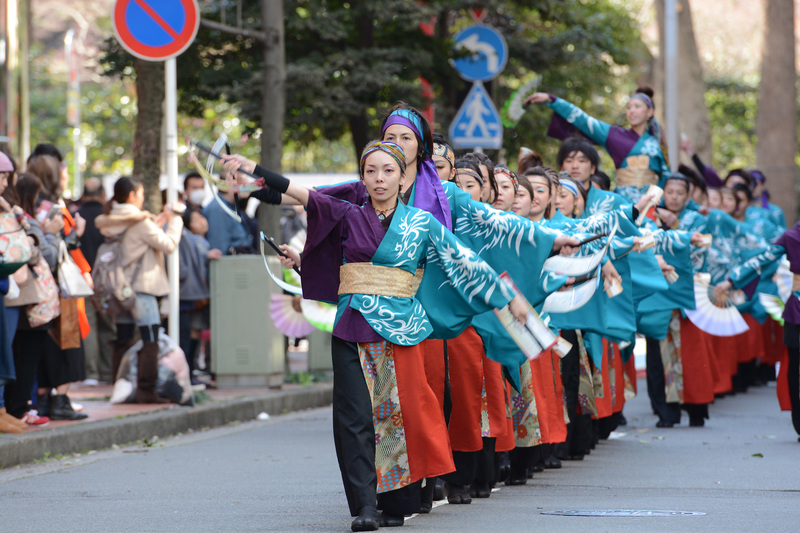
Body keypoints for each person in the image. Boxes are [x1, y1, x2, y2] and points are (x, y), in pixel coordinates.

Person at [225, 140, 528, 531]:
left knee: (399, 414)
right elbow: (299, 192)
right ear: (363, 177)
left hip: (400, 328)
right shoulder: (346, 213)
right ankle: (365, 506)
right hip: (352, 325)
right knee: (353, 418)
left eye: (388, 171)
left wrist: (507, 297)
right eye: (371, 171)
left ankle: (397, 499)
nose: (379, 178)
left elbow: (462, 261)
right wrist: (252, 166)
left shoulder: (421, 222)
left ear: (405, 178)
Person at [95, 177, 184, 403]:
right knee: (150, 337)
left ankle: (119, 388)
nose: (142, 198)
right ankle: (147, 391)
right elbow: (169, 244)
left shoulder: (112, 220)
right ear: (133, 195)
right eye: (141, 193)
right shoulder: (140, 222)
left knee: (123, 337)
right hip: (142, 287)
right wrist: (176, 221)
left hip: (120, 288)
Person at [526, 86, 670, 202]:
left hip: (654, 205)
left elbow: (666, 176)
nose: (632, 111)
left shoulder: (658, 143)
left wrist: (662, 205)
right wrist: (552, 100)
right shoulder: (615, 136)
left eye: (637, 106)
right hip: (624, 203)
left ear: (650, 112)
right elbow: (584, 120)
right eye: (628, 107)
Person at [3, 174, 60, 425]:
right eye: (2, 177)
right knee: (18, 353)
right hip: (18, 292)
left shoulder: (14, 212)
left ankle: (11, 409)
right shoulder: (16, 214)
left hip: (17, 292)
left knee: (15, 352)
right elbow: (35, 253)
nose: (4, 183)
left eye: (6, 178)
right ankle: (14, 408)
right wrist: (48, 235)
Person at [78, 178, 115, 385]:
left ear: (83, 195)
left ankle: (91, 374)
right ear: (103, 195)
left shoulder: (76, 215)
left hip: (82, 278)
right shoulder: (107, 217)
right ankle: (108, 372)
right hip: (107, 280)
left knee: (89, 325)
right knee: (108, 325)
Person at [178, 207, 220, 380]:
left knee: (195, 331)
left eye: (203, 217)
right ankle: (190, 371)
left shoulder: (202, 240)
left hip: (197, 293)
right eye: (197, 219)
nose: (203, 221)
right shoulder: (193, 240)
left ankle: (191, 370)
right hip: (194, 293)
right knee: (192, 331)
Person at [202, 171, 254, 255]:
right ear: (225, 185)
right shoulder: (218, 209)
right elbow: (219, 249)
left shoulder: (231, 207)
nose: (246, 185)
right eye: (240, 180)